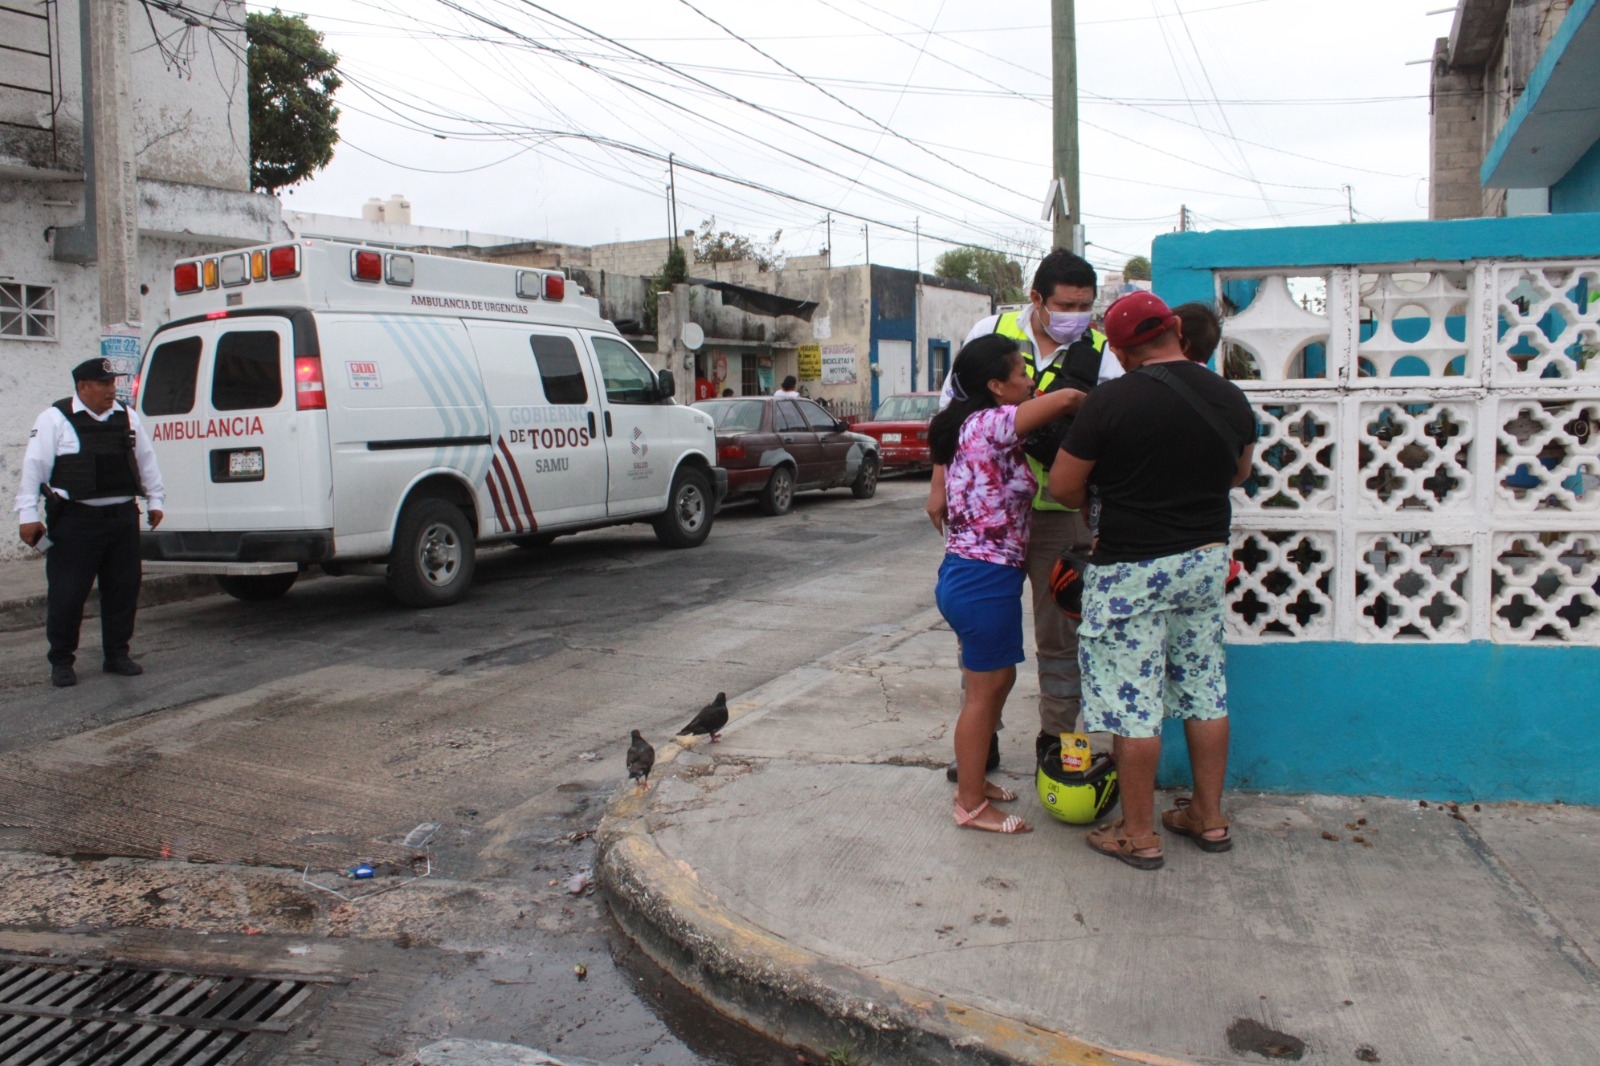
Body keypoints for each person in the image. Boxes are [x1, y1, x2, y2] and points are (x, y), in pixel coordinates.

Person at [1047, 292, 1257, 870]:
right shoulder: (1229, 395)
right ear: (1174, 332)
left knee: (1133, 704)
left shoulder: (1110, 402)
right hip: (1204, 561)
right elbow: (1238, 472)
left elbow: (1064, 487)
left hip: (1132, 568)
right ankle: (1208, 819)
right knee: (1205, 691)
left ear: (1117, 347)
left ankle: (1138, 834)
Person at [928, 250, 1120, 776]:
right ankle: (979, 738)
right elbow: (952, 411)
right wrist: (939, 483)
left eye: (1086, 305)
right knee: (984, 635)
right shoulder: (991, 331)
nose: (1077, 315)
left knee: (1060, 633)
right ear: (1036, 299)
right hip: (990, 527)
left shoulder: (1101, 352)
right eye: (1066, 304)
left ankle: (1056, 738)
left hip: (1061, 510)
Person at [931, 334, 1086, 834]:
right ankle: (970, 804)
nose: (1030, 380)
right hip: (981, 579)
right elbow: (1062, 399)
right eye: (1021, 373)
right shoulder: (988, 424)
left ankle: (974, 782)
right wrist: (1108, 402)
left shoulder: (980, 426)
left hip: (982, 576)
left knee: (998, 682)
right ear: (995, 386)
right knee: (984, 693)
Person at [15, 358, 166, 688]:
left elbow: (145, 460)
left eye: (113, 383)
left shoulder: (127, 416)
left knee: (123, 590)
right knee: (68, 595)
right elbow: (34, 468)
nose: (112, 390)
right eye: (104, 384)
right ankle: (62, 660)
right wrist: (27, 515)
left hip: (122, 518)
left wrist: (155, 499)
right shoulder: (55, 419)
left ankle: (117, 654)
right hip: (76, 521)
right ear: (83, 387)